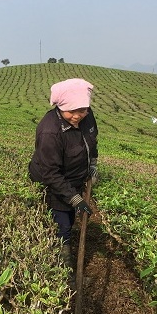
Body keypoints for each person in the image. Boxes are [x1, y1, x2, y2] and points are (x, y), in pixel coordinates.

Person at [28, 78, 99, 272]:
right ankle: (64, 271)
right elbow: (50, 174)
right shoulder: (50, 131)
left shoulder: (87, 115)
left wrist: (92, 162)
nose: (77, 116)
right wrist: (75, 198)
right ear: (60, 107)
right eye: (72, 111)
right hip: (54, 184)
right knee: (63, 225)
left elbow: (92, 140)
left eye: (82, 110)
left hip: (73, 178)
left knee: (69, 217)